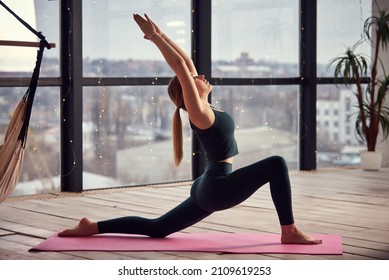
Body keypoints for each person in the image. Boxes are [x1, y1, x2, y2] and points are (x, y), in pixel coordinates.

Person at [59, 14, 322, 245]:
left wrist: (162, 34)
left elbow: (186, 62)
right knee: (276, 163)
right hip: (216, 187)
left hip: (208, 187)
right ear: (187, 92)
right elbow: (180, 68)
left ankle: (93, 227)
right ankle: (289, 230)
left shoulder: (205, 108)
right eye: (194, 79)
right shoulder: (199, 113)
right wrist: (153, 38)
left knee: (157, 228)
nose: (201, 76)